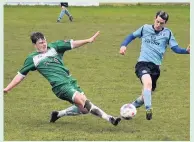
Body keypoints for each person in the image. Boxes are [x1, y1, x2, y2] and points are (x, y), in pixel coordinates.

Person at [4, 31, 121, 126]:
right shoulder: (32, 59)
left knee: (84, 110)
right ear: (35, 45)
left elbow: (72, 44)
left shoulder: (54, 47)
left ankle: (58, 114)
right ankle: (109, 118)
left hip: (70, 81)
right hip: (60, 86)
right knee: (83, 101)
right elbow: (20, 75)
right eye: (40, 43)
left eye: (45, 41)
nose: (44, 44)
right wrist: (8, 88)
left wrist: (88, 40)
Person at [119, 10, 190, 120]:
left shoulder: (168, 33)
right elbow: (131, 36)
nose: (158, 25)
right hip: (142, 64)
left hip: (155, 68)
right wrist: (123, 45)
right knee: (147, 83)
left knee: (144, 97)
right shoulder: (145, 28)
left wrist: (186, 51)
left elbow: (175, 48)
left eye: (161, 23)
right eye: (157, 21)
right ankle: (149, 109)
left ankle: (130, 108)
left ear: (165, 23)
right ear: (154, 18)